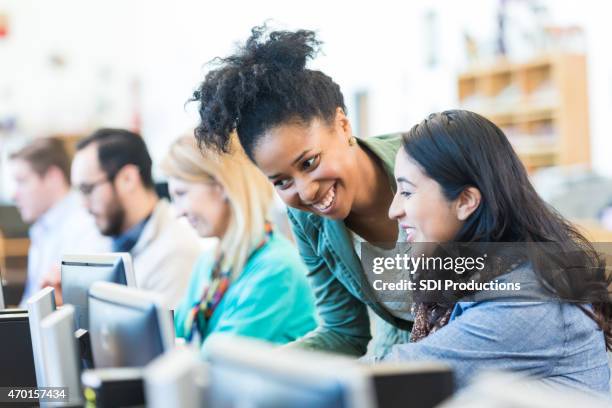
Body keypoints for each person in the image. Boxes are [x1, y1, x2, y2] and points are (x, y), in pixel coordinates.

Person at [190, 26, 411, 358]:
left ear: (343, 125)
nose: (305, 193)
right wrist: (265, 365)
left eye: (309, 162)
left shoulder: (430, 159)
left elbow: (507, 290)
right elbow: (344, 332)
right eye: (281, 181)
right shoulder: (308, 221)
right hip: (400, 363)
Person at [383, 110, 611, 394]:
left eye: (406, 192)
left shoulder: (527, 300)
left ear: (466, 201)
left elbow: (395, 377)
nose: (394, 210)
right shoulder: (469, 273)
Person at [161, 135, 316, 354]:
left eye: (181, 194)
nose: (178, 212)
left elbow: (214, 363)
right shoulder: (210, 263)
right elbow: (175, 336)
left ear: (222, 186)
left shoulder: (277, 270)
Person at [71, 129, 202, 308]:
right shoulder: (99, 236)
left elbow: (159, 335)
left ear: (128, 179)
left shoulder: (176, 253)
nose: (83, 205)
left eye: (88, 189)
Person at [9, 137, 109, 306]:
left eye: (22, 181)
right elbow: (29, 302)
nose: (14, 195)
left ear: (53, 177)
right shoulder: (42, 226)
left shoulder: (87, 227)